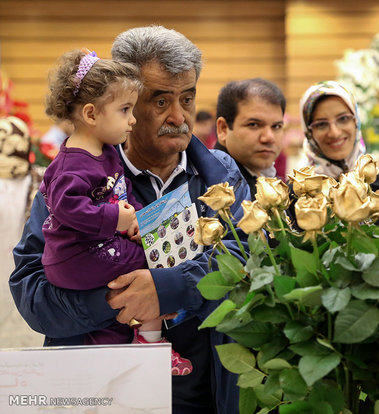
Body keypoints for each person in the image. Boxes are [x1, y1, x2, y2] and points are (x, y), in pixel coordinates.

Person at [10, 25, 250, 413]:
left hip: (203, 392)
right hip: (99, 394)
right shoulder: (73, 179)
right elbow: (30, 292)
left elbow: (247, 264)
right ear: (124, 101)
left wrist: (169, 287)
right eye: (160, 102)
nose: (179, 116)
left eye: (187, 99)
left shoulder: (221, 175)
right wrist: (115, 299)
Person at [39, 48, 192, 375]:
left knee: (147, 262)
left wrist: (135, 219)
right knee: (154, 265)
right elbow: (69, 209)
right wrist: (117, 220)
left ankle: (113, 352)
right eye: (125, 110)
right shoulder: (72, 164)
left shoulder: (106, 152)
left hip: (92, 248)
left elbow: (117, 195)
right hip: (74, 257)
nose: (132, 120)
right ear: (92, 114)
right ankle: (151, 342)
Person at [299, 80, 379, 188]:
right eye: (321, 124)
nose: (334, 133)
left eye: (343, 119)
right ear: (309, 133)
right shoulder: (298, 189)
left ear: (356, 121)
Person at [215, 78, 285, 199]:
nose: (269, 137)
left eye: (276, 126)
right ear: (223, 129)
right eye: (254, 125)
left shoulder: (263, 180)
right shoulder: (220, 196)